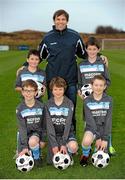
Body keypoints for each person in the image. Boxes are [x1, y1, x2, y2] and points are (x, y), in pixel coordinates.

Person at [17, 9, 108, 133]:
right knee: (53, 111)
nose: (60, 21)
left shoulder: (75, 36)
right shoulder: (47, 37)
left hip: (70, 80)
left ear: (67, 21)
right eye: (58, 19)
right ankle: (53, 138)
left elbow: (83, 53)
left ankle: (71, 138)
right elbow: (39, 56)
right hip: (52, 81)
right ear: (54, 20)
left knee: (70, 110)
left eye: (63, 19)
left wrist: (100, 56)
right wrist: (25, 65)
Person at [78, 37, 116, 155]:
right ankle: (90, 146)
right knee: (89, 122)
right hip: (87, 99)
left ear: (98, 49)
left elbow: (108, 81)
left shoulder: (102, 63)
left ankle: (107, 143)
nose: (92, 51)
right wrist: (80, 91)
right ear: (86, 50)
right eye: (90, 49)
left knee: (104, 120)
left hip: (101, 97)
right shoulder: (81, 64)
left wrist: (100, 90)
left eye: (94, 49)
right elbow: (79, 82)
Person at [80, 75, 113, 167]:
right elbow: (89, 120)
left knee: (102, 152)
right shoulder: (87, 101)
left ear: (105, 87)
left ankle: (107, 143)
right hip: (91, 128)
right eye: (96, 85)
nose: (98, 88)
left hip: (103, 128)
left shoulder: (109, 100)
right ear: (92, 86)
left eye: (101, 85)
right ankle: (85, 155)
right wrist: (98, 137)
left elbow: (108, 120)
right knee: (86, 141)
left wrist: (105, 139)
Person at [45, 77, 78, 165]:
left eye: (60, 89)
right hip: (54, 133)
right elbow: (49, 126)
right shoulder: (48, 104)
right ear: (51, 90)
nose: (58, 92)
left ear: (64, 89)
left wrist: (63, 143)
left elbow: (68, 125)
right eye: (55, 89)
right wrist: (54, 144)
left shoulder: (69, 103)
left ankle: (69, 153)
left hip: (67, 133)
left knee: (73, 146)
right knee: (51, 160)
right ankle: (58, 146)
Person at [16, 79, 46, 167]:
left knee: (32, 142)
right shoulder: (20, 108)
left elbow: (44, 125)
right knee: (22, 155)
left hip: (36, 133)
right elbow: (22, 128)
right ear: (22, 92)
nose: (28, 93)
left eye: (31, 91)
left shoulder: (41, 107)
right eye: (25, 90)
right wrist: (24, 146)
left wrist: (43, 139)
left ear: (36, 92)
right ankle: (28, 149)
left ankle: (37, 157)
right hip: (25, 133)